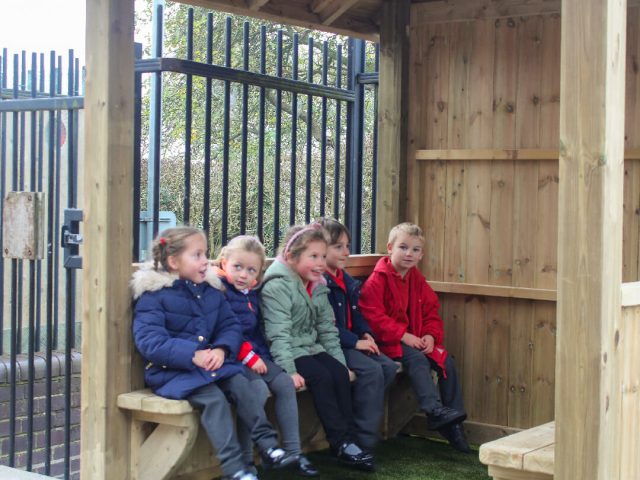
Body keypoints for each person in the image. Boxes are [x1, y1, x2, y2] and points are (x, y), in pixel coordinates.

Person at [131, 226, 297, 480]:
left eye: (205, 253)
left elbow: (230, 326)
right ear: (174, 261)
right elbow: (150, 342)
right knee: (214, 401)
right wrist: (192, 355)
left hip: (213, 366)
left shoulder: (209, 291)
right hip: (174, 372)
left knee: (243, 385)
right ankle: (234, 468)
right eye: (197, 255)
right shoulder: (153, 296)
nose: (204, 261)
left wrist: (221, 348)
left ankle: (268, 445)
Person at [260, 223, 374, 471]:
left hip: (311, 347)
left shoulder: (318, 285)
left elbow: (327, 330)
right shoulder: (277, 286)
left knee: (337, 373)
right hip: (288, 351)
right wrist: (289, 371)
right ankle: (340, 442)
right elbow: (277, 335)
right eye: (313, 256)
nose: (321, 263)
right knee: (322, 376)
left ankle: (349, 438)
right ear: (291, 257)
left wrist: (342, 365)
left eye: (323, 256)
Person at [358, 222, 471, 453]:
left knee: (446, 361)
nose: (409, 254)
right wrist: (403, 335)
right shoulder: (377, 280)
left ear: (421, 255)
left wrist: (430, 335)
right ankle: (433, 410)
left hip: (414, 339)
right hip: (387, 343)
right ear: (390, 248)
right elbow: (374, 318)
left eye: (415, 250)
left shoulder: (416, 279)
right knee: (417, 360)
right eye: (403, 247)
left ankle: (454, 425)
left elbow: (431, 311)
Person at [214, 235, 318, 477]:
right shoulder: (220, 292)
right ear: (223, 262)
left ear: (259, 274)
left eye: (251, 270)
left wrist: (272, 360)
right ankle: (245, 461)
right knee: (256, 391)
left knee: (284, 382)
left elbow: (259, 331)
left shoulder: (250, 293)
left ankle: (293, 452)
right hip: (233, 359)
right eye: (237, 267)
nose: (243, 275)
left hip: (257, 356)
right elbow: (225, 331)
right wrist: (250, 357)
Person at [319, 218, 398, 451]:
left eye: (347, 246)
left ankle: (358, 417)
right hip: (334, 345)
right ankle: (363, 438)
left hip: (354, 342)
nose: (346, 252)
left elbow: (359, 313)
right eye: (338, 247)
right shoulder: (320, 282)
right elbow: (324, 328)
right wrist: (355, 342)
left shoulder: (347, 280)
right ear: (321, 250)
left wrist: (365, 333)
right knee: (372, 371)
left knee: (389, 366)